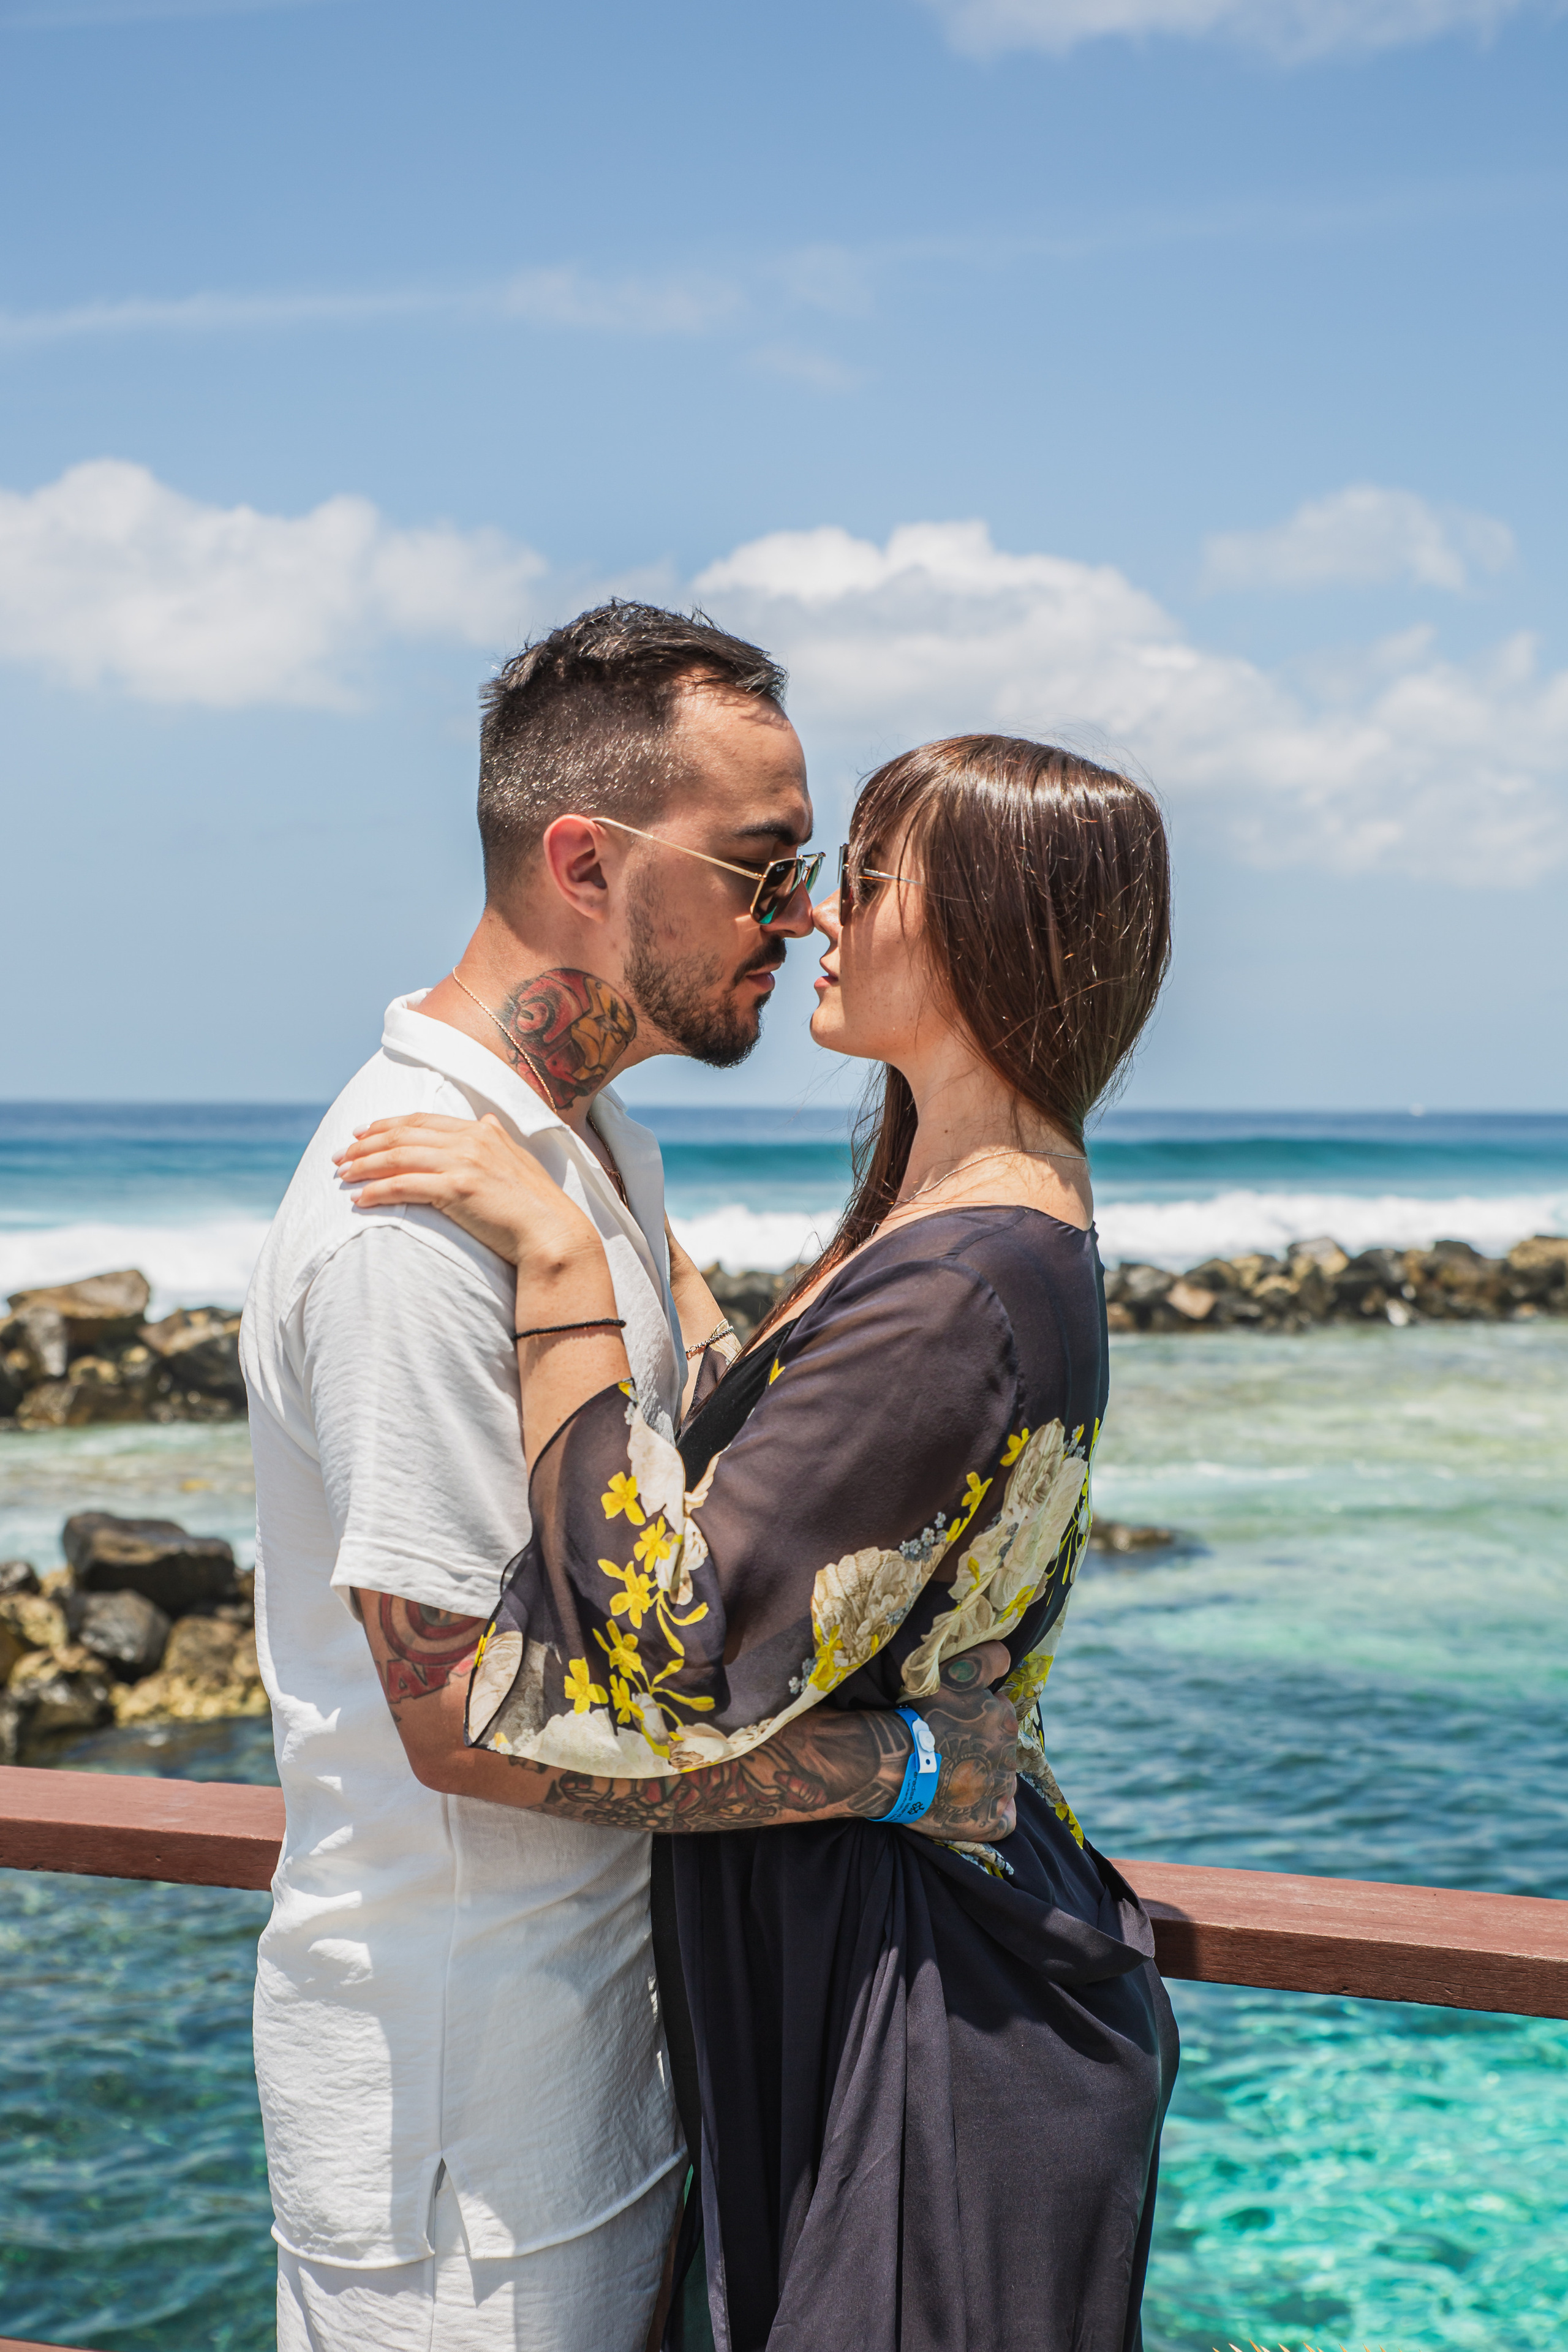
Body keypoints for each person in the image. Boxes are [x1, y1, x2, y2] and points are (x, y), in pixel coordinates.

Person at [337, 731, 1180, 2351]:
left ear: (992, 934)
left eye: (865, 881)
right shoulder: (965, 1222)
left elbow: (676, 1659)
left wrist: (559, 1257)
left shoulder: (959, 1280)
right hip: (898, 1961)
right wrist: (625, 1207)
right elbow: (804, 1471)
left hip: (927, 2006)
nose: (814, 917)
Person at [241, 604, 1017, 2352]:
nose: (801, 915)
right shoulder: (413, 1228)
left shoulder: (591, 1152)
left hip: (592, 2077)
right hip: (468, 2143)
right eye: (763, 867)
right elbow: (462, 1723)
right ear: (587, 863)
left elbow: (681, 1497)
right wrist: (904, 1770)